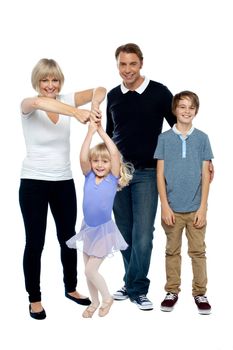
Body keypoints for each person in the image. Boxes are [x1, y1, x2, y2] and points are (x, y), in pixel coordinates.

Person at [19, 58, 106, 320]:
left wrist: (92, 105)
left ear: (60, 81)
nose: (49, 85)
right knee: (35, 242)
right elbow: (38, 103)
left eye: (54, 79)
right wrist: (76, 112)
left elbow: (100, 89)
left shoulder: (67, 97)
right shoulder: (28, 104)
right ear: (37, 81)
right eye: (44, 80)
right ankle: (34, 298)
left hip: (63, 182)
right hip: (33, 182)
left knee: (68, 238)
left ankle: (71, 288)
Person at [106, 43, 177, 310]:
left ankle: (137, 288)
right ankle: (131, 282)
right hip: (118, 174)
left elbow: (177, 128)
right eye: (122, 64)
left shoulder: (159, 92)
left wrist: (196, 156)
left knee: (143, 235)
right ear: (118, 65)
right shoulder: (113, 95)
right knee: (124, 233)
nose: (127, 70)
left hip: (148, 173)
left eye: (132, 64)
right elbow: (111, 135)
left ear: (141, 64)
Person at [154, 90, 213, 315]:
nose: (186, 111)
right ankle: (171, 291)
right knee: (172, 251)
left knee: (198, 252)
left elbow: (206, 175)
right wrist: (165, 206)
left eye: (191, 107)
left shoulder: (202, 138)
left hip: (196, 209)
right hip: (172, 210)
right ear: (174, 110)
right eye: (182, 107)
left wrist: (203, 208)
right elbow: (159, 175)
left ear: (196, 111)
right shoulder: (164, 139)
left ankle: (200, 293)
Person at [66, 120, 133, 318]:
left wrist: (101, 131)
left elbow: (113, 153)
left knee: (90, 271)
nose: (99, 165)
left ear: (111, 165)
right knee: (87, 269)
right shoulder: (88, 175)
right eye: (96, 161)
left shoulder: (112, 178)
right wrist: (89, 133)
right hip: (88, 228)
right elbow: (82, 156)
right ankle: (94, 302)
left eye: (104, 162)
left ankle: (107, 298)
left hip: (104, 231)